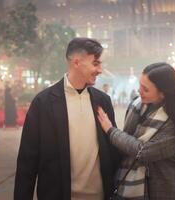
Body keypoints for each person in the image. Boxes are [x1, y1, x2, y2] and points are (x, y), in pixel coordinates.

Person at [14, 37, 121, 200]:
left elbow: (112, 152)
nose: (100, 70)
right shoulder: (43, 103)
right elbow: (27, 162)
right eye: (96, 63)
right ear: (76, 62)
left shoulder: (102, 101)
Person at [97, 63, 175, 200]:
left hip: (163, 188)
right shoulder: (137, 106)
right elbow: (128, 141)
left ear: (163, 93)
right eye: (140, 85)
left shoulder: (174, 123)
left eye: (145, 89)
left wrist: (110, 130)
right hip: (133, 184)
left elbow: (143, 152)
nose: (139, 91)